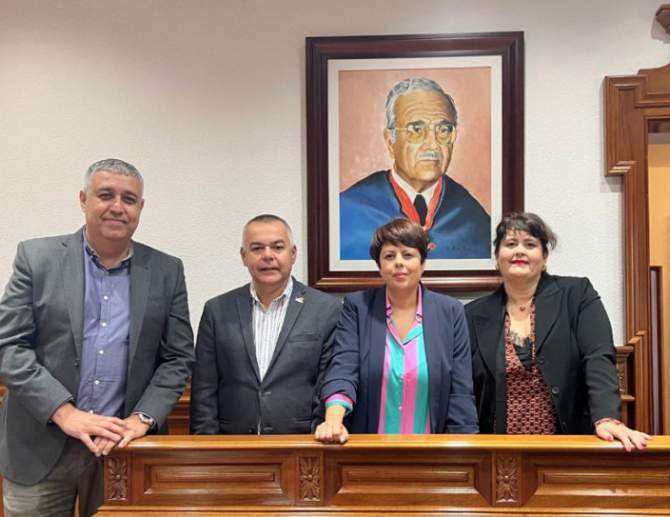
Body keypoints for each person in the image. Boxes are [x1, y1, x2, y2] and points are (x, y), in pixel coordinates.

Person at [0, 158, 194, 516]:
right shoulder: (36, 258)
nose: (117, 207)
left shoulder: (167, 271)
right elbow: (9, 346)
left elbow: (178, 358)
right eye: (106, 195)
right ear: (83, 199)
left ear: (140, 207)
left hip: (122, 449)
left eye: (129, 199)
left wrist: (142, 419)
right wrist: (63, 412)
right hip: (39, 444)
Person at [465, 212, 649, 451]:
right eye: (510, 244)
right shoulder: (473, 314)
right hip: (499, 450)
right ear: (497, 257)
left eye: (530, 244)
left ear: (544, 257)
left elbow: (598, 357)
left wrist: (606, 417)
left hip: (566, 446)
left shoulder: (577, 295)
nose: (519, 251)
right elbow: (463, 387)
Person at [315, 218, 478, 443]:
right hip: (369, 448)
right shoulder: (358, 308)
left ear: (422, 263)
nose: (399, 263)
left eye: (408, 255)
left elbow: (460, 390)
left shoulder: (450, 312)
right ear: (380, 266)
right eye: (390, 256)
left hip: (431, 450)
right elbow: (344, 367)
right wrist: (333, 420)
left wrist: (462, 449)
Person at [190, 214, 341, 435]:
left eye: (277, 247)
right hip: (232, 444)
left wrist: (316, 443)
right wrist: (206, 446)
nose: (268, 256)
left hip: (301, 443)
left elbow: (328, 382)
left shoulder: (326, 309)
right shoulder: (217, 310)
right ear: (243, 256)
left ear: (293, 254)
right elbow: (204, 389)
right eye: (257, 248)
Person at [339, 76, 490, 260]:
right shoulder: (348, 209)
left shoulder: (472, 217)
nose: (432, 145)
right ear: (390, 141)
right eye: (416, 130)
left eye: (443, 130)